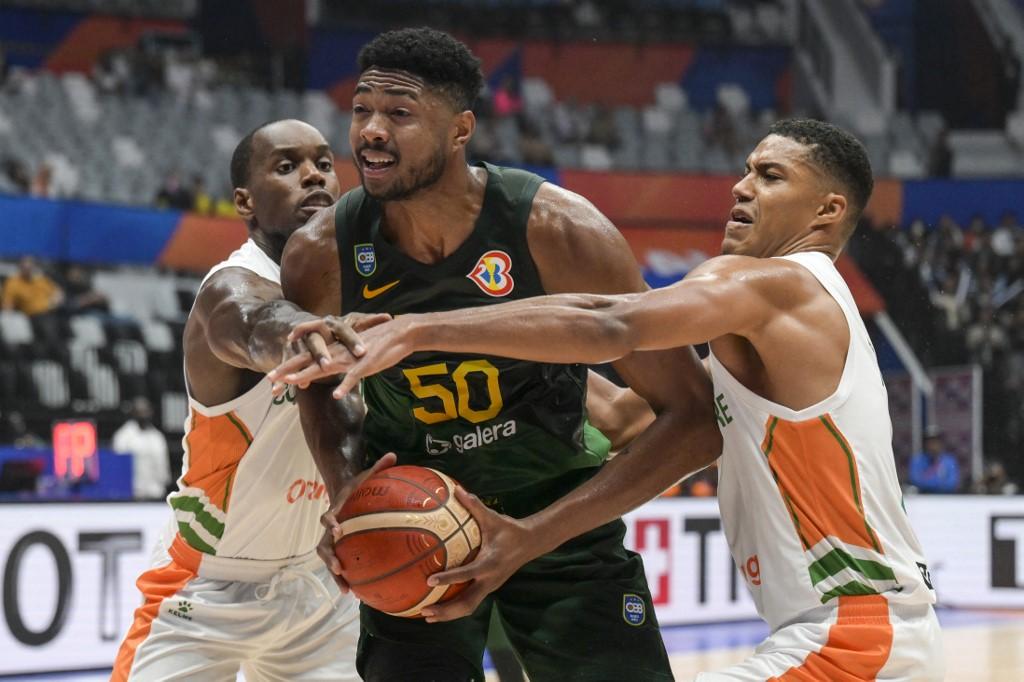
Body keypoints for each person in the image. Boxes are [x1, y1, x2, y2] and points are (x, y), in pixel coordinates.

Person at [278, 119, 943, 680]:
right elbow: (630, 415)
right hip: (865, 633)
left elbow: (611, 323)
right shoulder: (782, 324)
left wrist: (420, 325)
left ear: (828, 211)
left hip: (855, 634)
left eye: (771, 177)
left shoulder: (772, 284)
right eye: (746, 170)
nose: (741, 187)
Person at [272, 27, 720, 682]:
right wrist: (345, 493)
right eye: (362, 110)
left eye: (399, 114)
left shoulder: (559, 231)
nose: (370, 131)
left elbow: (695, 420)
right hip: (407, 523)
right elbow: (318, 383)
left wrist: (534, 535)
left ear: (460, 130)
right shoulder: (321, 253)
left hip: (559, 523)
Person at [112, 119, 385, 681]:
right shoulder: (228, 287)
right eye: (286, 167)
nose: (313, 175)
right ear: (246, 202)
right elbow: (259, 321)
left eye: (323, 163)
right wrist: (308, 334)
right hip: (203, 585)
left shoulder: (362, 289)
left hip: (318, 590)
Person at [112, 396, 171, 500]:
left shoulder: (157, 436)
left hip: (156, 492)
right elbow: (118, 468)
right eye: (140, 411)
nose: (144, 415)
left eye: (146, 411)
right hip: (132, 495)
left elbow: (163, 465)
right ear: (133, 413)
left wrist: (163, 485)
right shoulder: (123, 436)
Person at [908, 425, 961, 494]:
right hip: (923, 497)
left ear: (941, 443)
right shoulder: (917, 460)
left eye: (935, 441)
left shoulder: (949, 461)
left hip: (945, 498)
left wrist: (929, 482)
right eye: (929, 442)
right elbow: (915, 480)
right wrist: (938, 482)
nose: (932, 445)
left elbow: (952, 483)